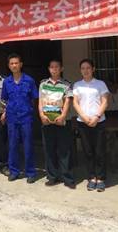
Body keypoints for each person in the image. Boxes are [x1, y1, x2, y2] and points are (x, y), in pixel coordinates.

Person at [73, 58, 110, 192]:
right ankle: (91, 177)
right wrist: (83, 116)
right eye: (83, 68)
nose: (85, 70)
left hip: (98, 122)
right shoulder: (77, 85)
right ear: (80, 70)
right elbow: (75, 102)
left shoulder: (100, 84)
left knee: (99, 150)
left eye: (88, 68)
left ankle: (100, 178)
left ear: (93, 69)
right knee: (88, 151)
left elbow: (105, 102)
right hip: (83, 122)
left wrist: (96, 116)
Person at [1, 53, 39, 183]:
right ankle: (14, 171)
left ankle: (31, 172)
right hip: (12, 118)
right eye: (11, 63)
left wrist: (31, 112)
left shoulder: (29, 80)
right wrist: (4, 113)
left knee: (28, 145)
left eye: (16, 63)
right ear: (9, 66)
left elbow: (34, 99)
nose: (14, 65)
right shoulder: (6, 82)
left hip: (26, 118)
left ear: (21, 64)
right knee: (12, 145)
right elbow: (4, 100)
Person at [38, 59, 75, 189]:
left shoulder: (67, 84)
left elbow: (68, 101)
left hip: (62, 121)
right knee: (49, 150)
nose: (54, 69)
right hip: (47, 120)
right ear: (49, 69)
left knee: (64, 150)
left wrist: (63, 116)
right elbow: (40, 101)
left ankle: (67, 178)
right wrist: (41, 115)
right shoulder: (43, 84)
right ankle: (52, 176)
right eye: (52, 67)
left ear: (61, 69)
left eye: (57, 67)